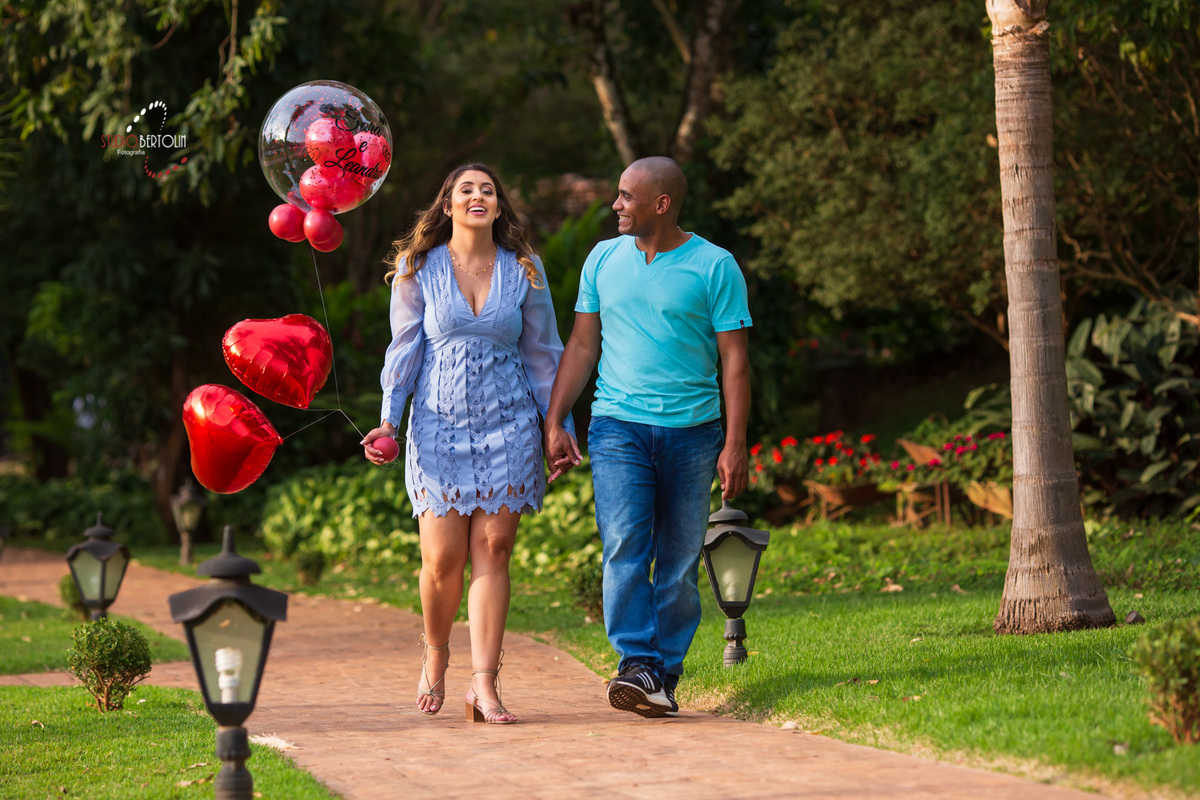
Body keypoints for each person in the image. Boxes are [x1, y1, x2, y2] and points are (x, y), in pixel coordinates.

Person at [362, 163, 572, 725]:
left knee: (495, 548)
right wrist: (388, 421)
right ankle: (437, 652)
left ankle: (485, 685)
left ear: (499, 207)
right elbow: (403, 351)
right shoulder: (418, 269)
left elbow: (545, 355)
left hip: (510, 426)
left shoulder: (526, 272)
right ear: (448, 206)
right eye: (466, 190)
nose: (478, 196)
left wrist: (559, 428)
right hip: (437, 426)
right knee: (442, 558)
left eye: (488, 190)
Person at [545, 156, 751, 718]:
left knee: (680, 562)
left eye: (626, 196)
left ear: (661, 204)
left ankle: (662, 674)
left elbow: (735, 360)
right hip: (617, 426)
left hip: (693, 432)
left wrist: (734, 444)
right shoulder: (603, 259)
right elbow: (583, 345)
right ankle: (636, 663)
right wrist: (555, 418)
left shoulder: (715, 266)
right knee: (624, 546)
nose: (616, 205)